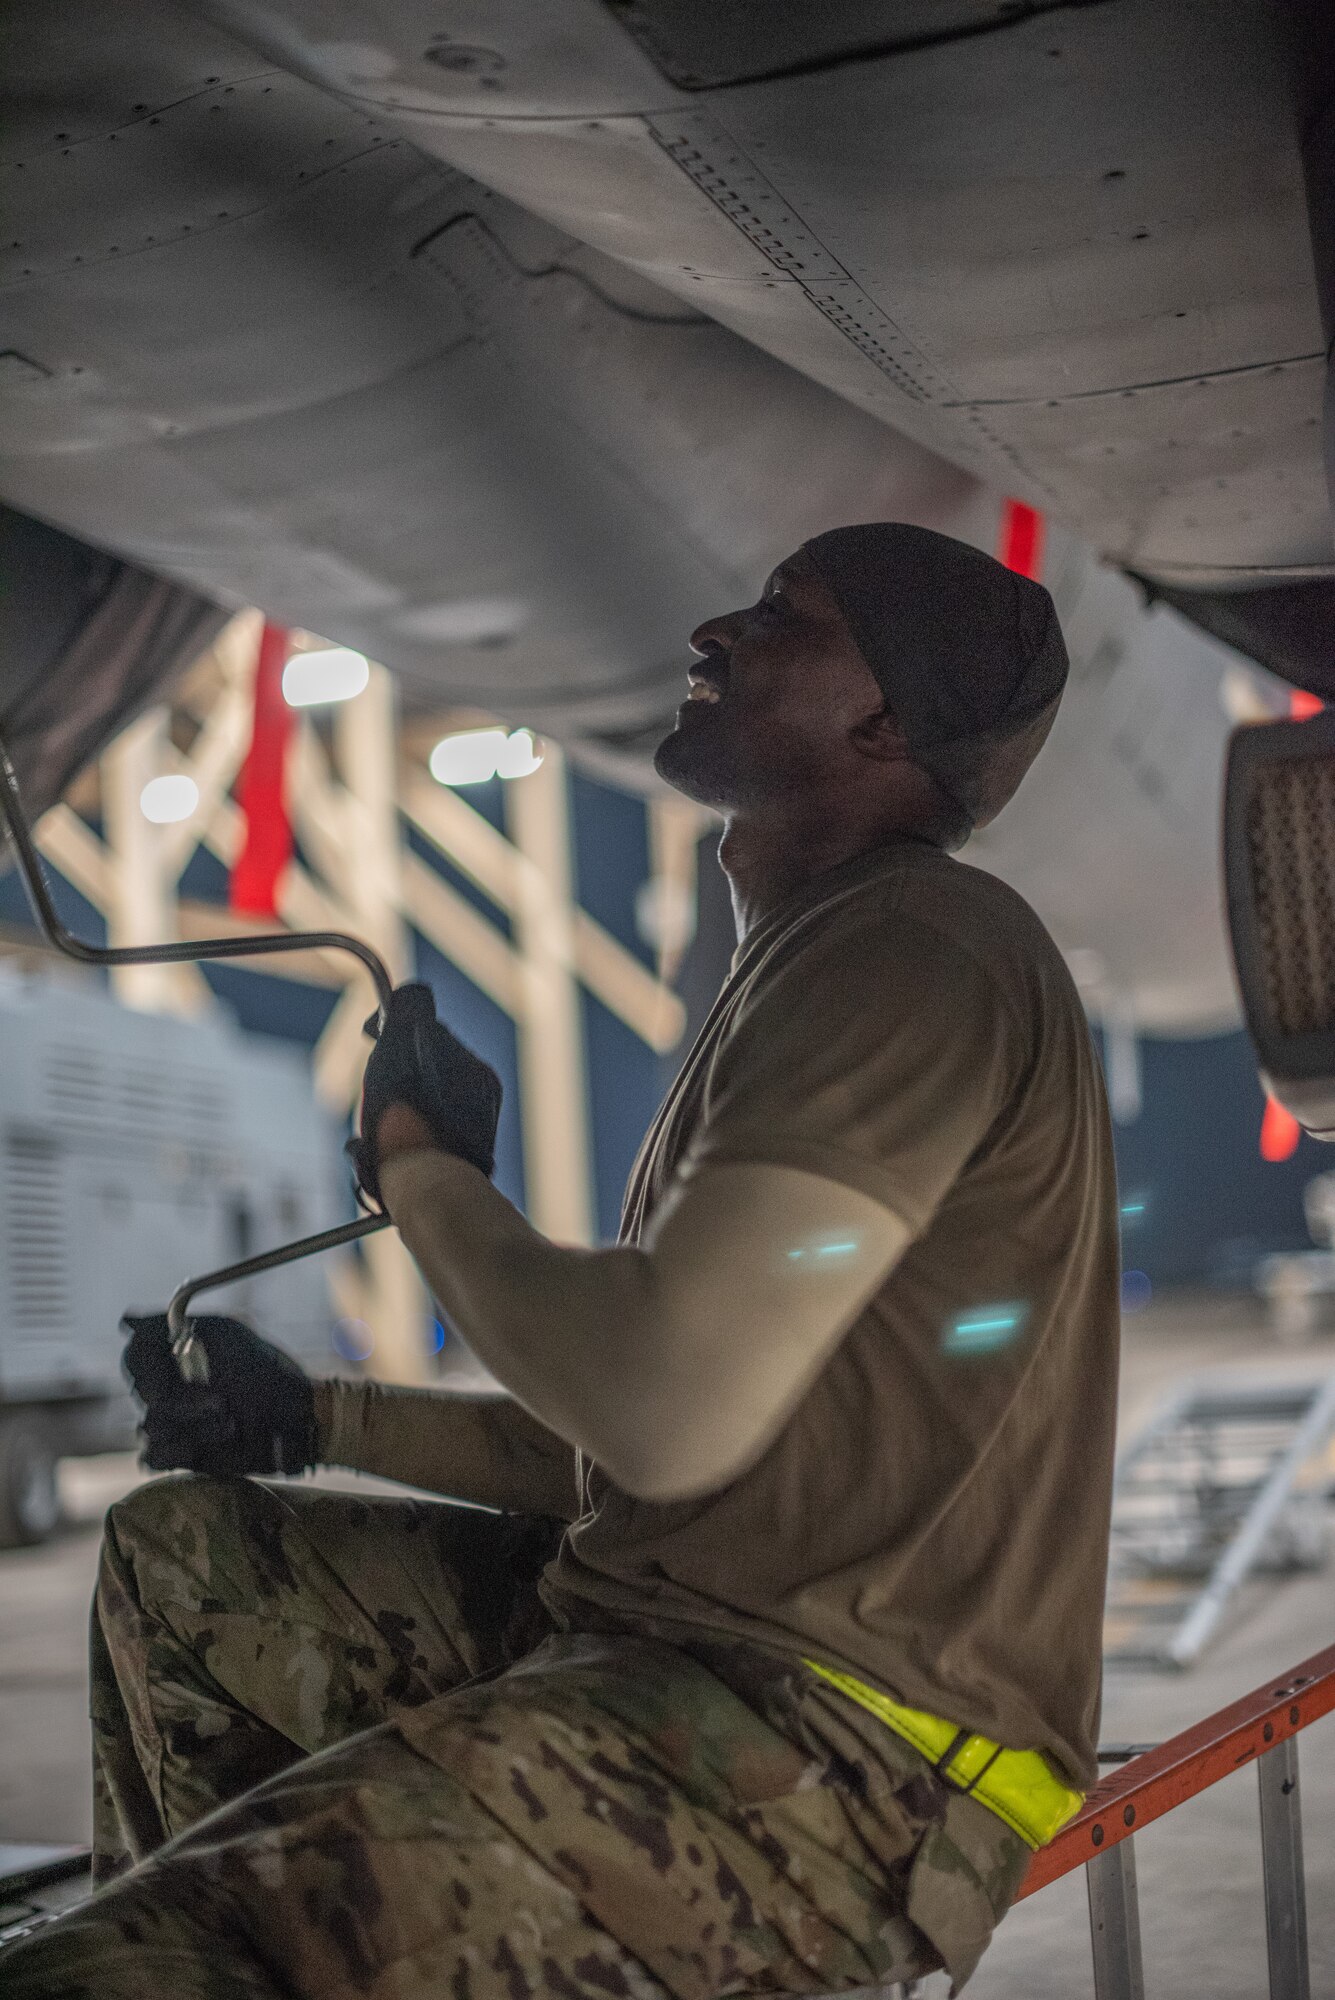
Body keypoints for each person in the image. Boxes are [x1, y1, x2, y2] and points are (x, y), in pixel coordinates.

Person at [1, 523, 1119, 1999]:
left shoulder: (913, 948)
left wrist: (425, 1177)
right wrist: (315, 1422)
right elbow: (655, 1457)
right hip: (663, 1637)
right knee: (183, 1559)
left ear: (884, 722)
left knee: (97, 1973)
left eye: (783, 618)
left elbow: (660, 1401)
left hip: (836, 1758)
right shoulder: (821, 956)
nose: (717, 631)